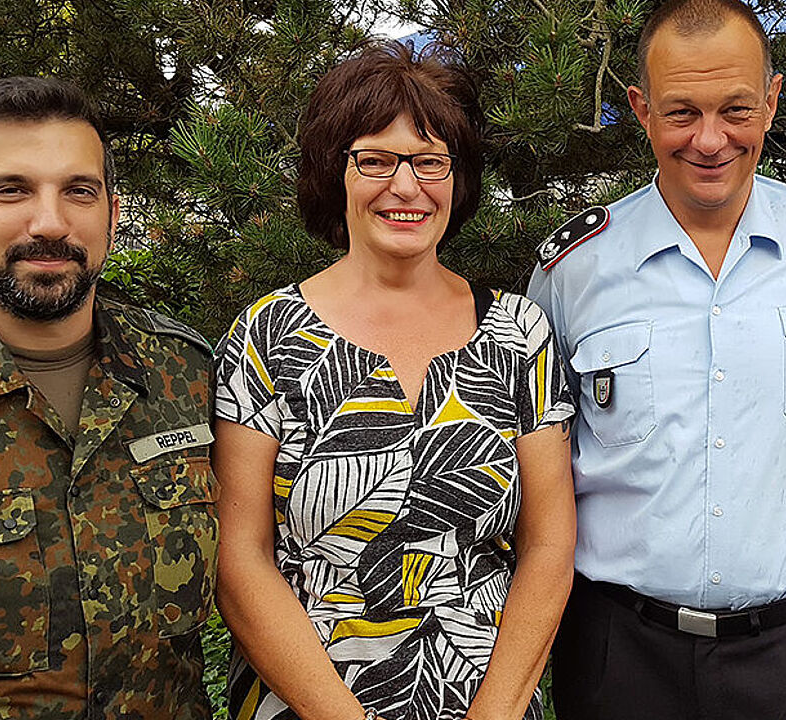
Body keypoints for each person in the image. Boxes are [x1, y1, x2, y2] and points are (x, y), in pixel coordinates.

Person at [526, 1, 786, 717]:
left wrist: (783, 493)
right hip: (624, 653)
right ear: (640, 109)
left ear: (771, 100)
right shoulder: (572, 270)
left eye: (736, 109)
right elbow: (543, 445)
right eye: (681, 113)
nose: (710, 140)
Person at [212, 40, 576, 720]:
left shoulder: (519, 335)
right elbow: (243, 560)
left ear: (457, 178)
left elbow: (550, 545)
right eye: (375, 160)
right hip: (306, 703)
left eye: (430, 161)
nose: (405, 187)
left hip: (482, 701)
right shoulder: (266, 338)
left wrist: (493, 714)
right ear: (333, 171)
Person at [0, 77, 218, 718]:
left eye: (78, 191)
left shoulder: (183, 373)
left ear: (113, 214)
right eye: (11, 190)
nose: (50, 222)